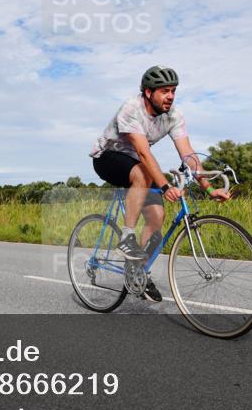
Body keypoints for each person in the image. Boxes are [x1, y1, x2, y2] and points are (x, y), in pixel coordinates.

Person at [89, 66, 231, 302]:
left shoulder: (174, 116)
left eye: (173, 91)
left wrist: (208, 187)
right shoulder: (131, 109)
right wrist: (165, 186)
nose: (171, 96)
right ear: (148, 92)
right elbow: (144, 154)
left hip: (135, 162)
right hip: (107, 157)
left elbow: (188, 155)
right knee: (144, 176)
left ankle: (136, 272)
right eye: (165, 91)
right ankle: (126, 238)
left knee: (157, 216)